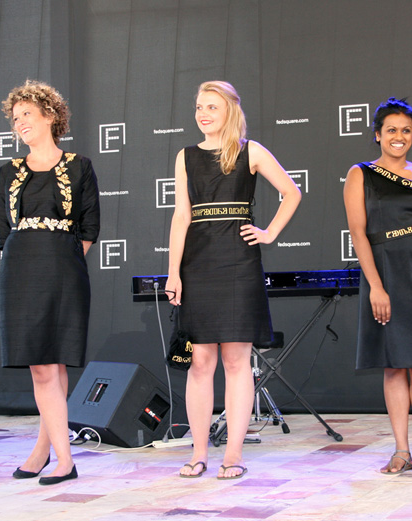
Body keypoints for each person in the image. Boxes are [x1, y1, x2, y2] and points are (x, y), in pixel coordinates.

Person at [166, 81, 301, 479]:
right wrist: (173, 271)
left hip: (239, 264)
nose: (203, 113)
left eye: (212, 106)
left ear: (229, 110)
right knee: (200, 362)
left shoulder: (250, 151)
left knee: (236, 361)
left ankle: (234, 455)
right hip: (198, 264)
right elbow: (181, 216)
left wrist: (269, 232)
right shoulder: (186, 156)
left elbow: (291, 192)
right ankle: (199, 453)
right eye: (199, 107)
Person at [343, 97, 412, 474]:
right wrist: (376, 287)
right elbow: (358, 233)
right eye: (391, 130)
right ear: (377, 135)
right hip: (384, 272)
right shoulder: (360, 174)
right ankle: (401, 449)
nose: (399, 137)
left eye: (406, 131)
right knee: (393, 366)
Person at [0, 80, 100, 485]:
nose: (20, 122)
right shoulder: (8, 171)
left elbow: (89, 227)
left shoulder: (79, 166)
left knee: (53, 364)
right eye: (15, 117)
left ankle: (61, 459)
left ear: (50, 116)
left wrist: (63, 261)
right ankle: (52, 454)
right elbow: (3, 231)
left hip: (63, 270)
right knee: (42, 367)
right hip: (20, 270)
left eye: (27, 114)